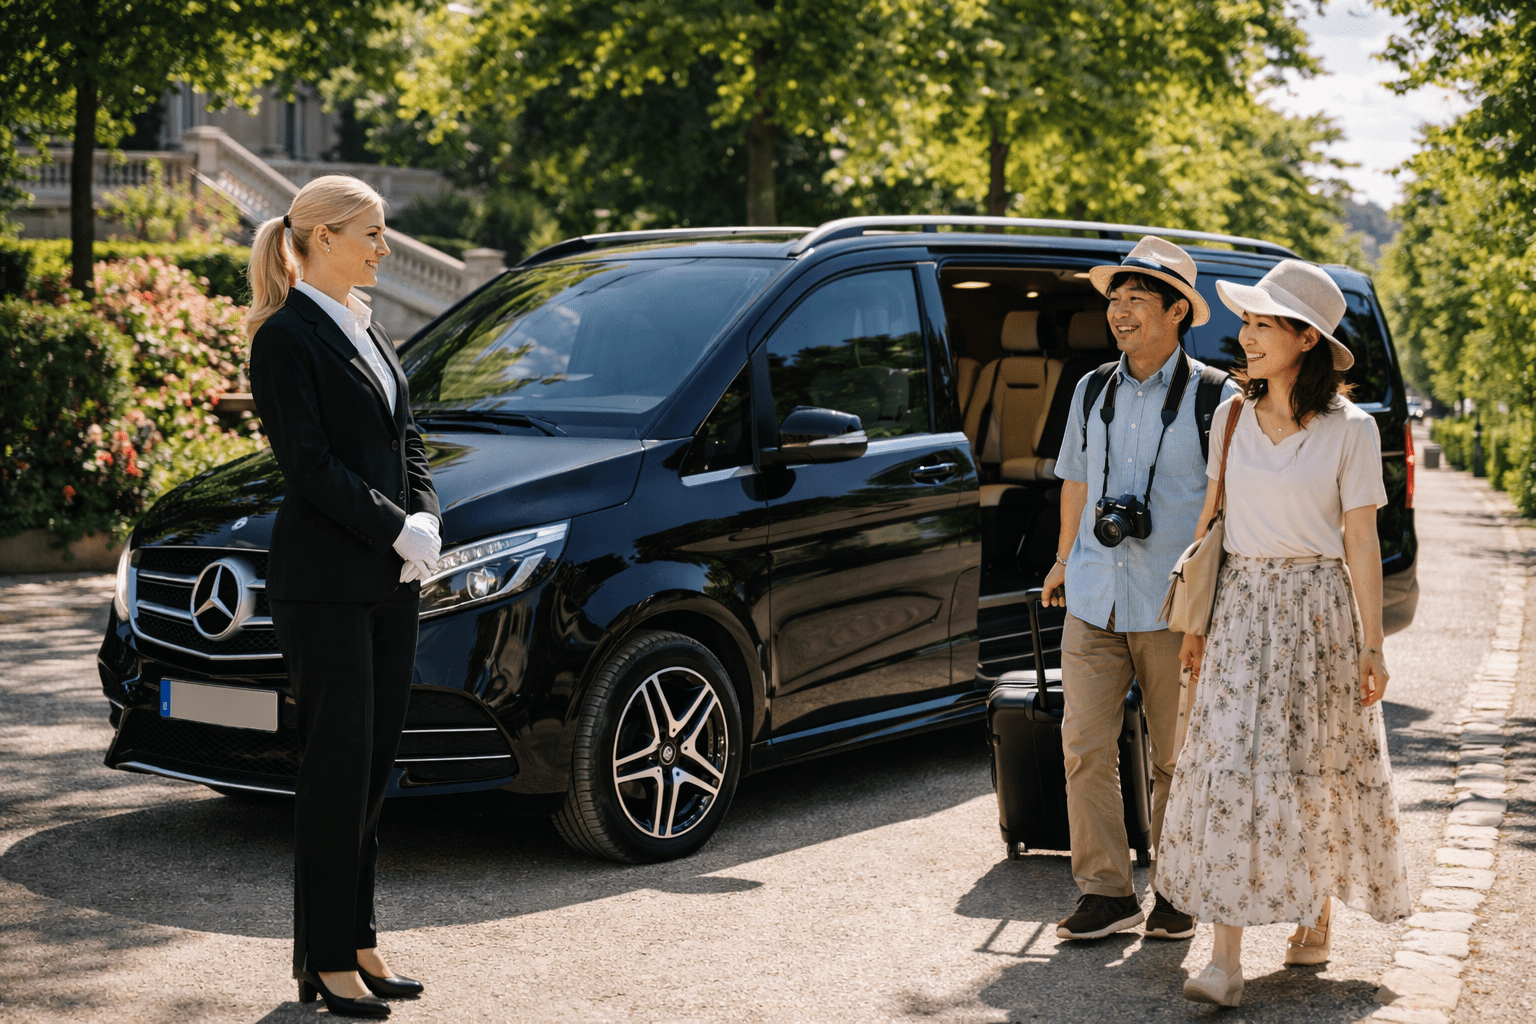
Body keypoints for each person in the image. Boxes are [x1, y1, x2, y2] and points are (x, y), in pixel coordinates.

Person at [1158, 260, 1411, 1007]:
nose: (1246, 337)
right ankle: (1224, 960)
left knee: (1310, 768)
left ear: (1306, 340)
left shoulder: (1352, 430)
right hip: (1240, 607)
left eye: (1263, 325)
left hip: (1317, 613)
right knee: (1232, 769)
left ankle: (1316, 911)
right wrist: (1196, 621)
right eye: (1247, 322)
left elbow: (1361, 541)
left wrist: (1373, 644)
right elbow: (1210, 520)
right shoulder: (1230, 417)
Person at [247, 175, 442, 1019]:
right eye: (372, 233)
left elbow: (410, 439)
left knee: (371, 771)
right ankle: (324, 960)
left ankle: (358, 941)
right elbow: (310, 467)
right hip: (324, 588)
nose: (384, 248)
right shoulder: (284, 338)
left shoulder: (369, 327)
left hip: (389, 583)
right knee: (334, 774)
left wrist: (426, 516)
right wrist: (397, 529)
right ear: (322, 237)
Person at [1045, 236, 1238, 941]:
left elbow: (1231, 506)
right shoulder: (1090, 389)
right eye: (1115, 300)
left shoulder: (1217, 398)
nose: (1120, 312)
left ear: (1178, 311)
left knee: (1175, 757)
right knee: (1084, 748)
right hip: (1094, 594)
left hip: (1172, 606)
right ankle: (1106, 893)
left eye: (1137, 300)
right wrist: (1062, 560)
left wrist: (1218, 603)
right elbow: (1074, 480)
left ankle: (1176, 891)